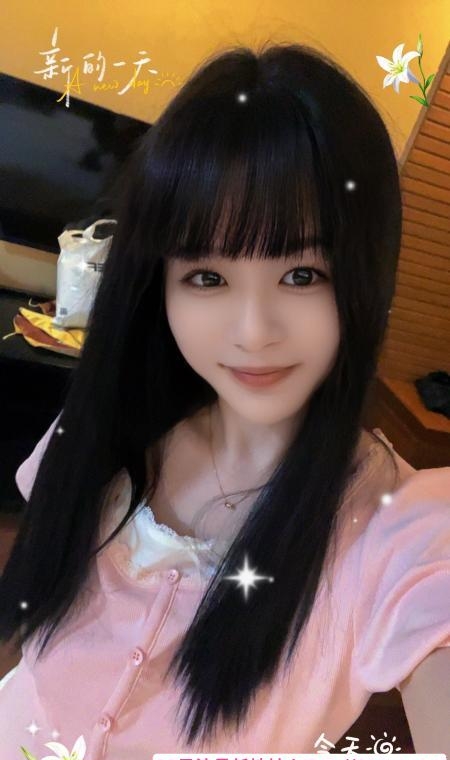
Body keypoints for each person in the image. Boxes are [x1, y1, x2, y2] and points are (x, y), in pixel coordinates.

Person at [0, 41, 449, 759]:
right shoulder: (102, 431)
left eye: (302, 274)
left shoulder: (393, 529)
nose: (252, 332)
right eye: (207, 276)